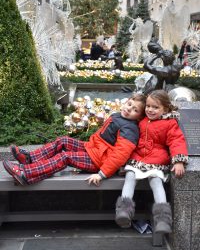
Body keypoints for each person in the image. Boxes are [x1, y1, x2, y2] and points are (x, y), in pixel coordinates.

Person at [3, 94, 146, 186]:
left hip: (100, 162)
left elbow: (120, 155)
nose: (129, 109)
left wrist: (102, 174)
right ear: (126, 102)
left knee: (66, 157)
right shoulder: (117, 116)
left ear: (139, 117)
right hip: (93, 149)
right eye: (129, 104)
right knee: (64, 141)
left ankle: (27, 174)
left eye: (135, 110)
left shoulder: (130, 130)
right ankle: (30, 158)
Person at [115, 90, 188, 234]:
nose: (150, 109)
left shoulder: (169, 123)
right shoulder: (142, 119)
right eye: (148, 106)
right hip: (137, 159)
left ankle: (162, 219)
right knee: (130, 176)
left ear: (165, 109)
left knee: (156, 181)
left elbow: (176, 141)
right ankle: (124, 211)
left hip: (157, 160)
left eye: (155, 107)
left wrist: (178, 161)